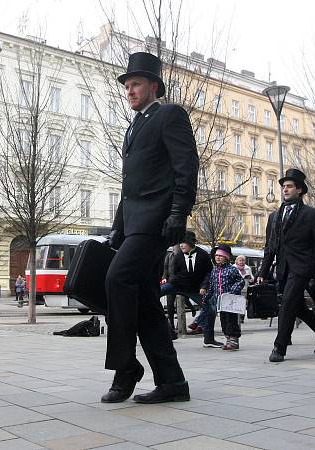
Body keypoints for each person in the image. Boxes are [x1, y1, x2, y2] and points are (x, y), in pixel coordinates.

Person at [102, 52, 198, 404]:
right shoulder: (134, 125)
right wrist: (117, 227)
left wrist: (178, 214)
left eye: (136, 84)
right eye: (126, 85)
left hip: (157, 220)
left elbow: (187, 168)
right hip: (134, 223)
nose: (129, 90)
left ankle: (126, 368)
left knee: (117, 279)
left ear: (153, 86)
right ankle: (173, 382)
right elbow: (129, 185)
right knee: (145, 303)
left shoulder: (170, 115)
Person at [258, 168, 315, 363]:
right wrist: (263, 271)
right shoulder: (274, 216)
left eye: (289, 186)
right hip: (283, 268)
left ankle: (279, 347)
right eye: (283, 187)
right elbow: (270, 246)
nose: (285, 190)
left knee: (287, 303)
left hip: (302, 267)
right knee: (297, 308)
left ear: (300, 190)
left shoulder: (311, 214)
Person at [160, 231, 212, 341]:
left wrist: (204, 287)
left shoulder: (203, 255)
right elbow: (175, 272)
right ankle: (168, 330)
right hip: (177, 285)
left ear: (191, 243)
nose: (181, 245)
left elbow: (209, 273)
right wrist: (171, 282)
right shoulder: (178, 256)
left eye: (184, 243)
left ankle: (208, 338)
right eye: (180, 243)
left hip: (194, 288)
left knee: (210, 308)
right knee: (153, 294)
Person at [200, 244, 247, 350]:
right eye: (216, 255)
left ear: (226, 258)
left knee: (231, 320)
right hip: (220, 302)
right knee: (224, 321)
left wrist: (232, 291)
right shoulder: (214, 271)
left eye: (221, 256)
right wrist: (207, 297)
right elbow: (212, 286)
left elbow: (240, 281)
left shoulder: (232, 270)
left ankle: (234, 340)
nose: (218, 257)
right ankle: (228, 339)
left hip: (230, 301)